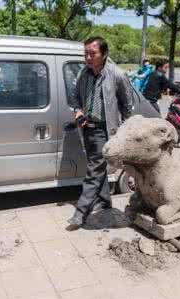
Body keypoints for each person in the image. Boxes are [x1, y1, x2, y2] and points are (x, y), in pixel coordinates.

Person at [67, 36, 134, 230]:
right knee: (97, 168)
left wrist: (125, 131)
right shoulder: (83, 74)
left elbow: (127, 106)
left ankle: (80, 213)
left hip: (105, 131)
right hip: (87, 129)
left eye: (92, 53)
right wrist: (79, 113)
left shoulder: (117, 74)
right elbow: (75, 99)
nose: (88, 57)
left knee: (93, 170)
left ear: (104, 54)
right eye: (86, 53)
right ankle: (104, 203)